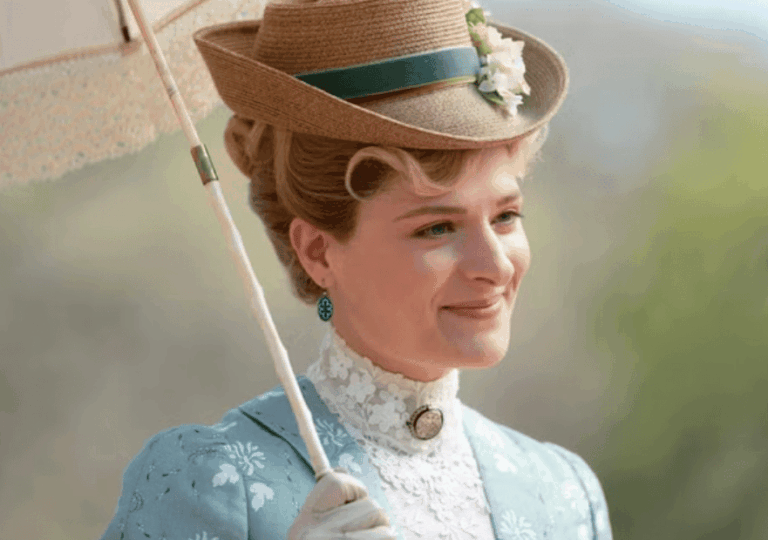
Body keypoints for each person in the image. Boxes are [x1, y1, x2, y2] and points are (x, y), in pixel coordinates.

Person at [100, 0, 613, 538]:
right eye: (437, 228)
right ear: (318, 251)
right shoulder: (207, 482)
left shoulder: (563, 494)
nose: (494, 265)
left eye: (506, 216)